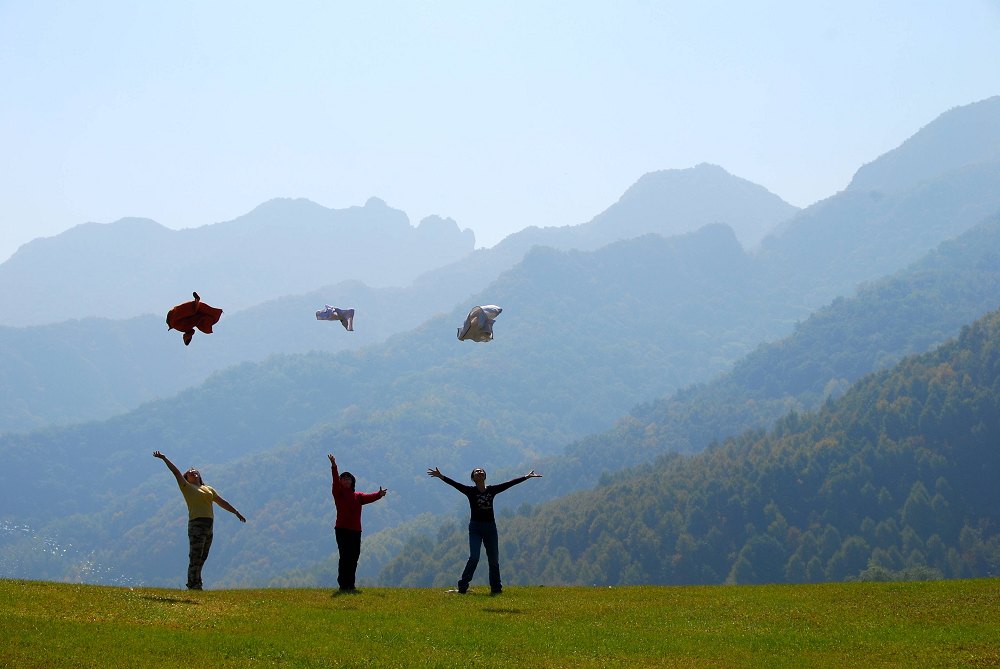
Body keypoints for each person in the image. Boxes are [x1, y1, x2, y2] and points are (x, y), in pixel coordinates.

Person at [427, 465, 541, 594]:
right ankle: (463, 587)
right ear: (473, 478)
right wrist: (441, 476)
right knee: (474, 557)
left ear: (485, 476)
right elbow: (455, 484)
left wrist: (526, 477)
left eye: (481, 471)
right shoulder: (470, 491)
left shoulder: (492, 490)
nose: (479, 472)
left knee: (493, 560)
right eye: (476, 472)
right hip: (475, 528)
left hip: (490, 528)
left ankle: (496, 589)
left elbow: (509, 484)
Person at [152, 451, 245, 590]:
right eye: (190, 472)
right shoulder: (186, 487)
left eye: (195, 472)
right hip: (196, 524)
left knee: (202, 557)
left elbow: (221, 502)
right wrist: (164, 459)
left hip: (209, 525)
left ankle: (197, 583)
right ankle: (193, 585)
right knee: (195, 556)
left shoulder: (208, 489)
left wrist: (236, 512)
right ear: (186, 477)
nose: (193, 472)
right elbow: (176, 473)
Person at [329, 454, 387, 593]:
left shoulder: (358, 496)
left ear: (352, 481)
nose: (346, 479)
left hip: (355, 530)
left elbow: (370, 497)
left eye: (348, 478)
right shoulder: (338, 493)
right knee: (344, 556)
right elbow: (335, 481)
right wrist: (334, 466)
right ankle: (343, 585)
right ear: (340, 481)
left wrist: (379, 494)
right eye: (344, 478)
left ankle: (351, 584)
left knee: (354, 557)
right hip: (342, 529)